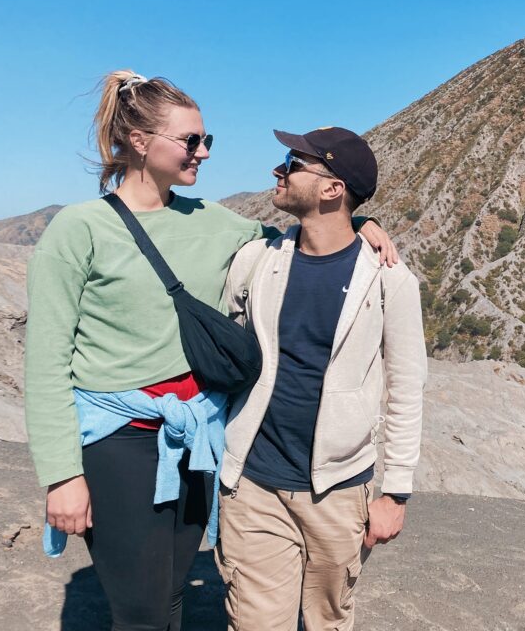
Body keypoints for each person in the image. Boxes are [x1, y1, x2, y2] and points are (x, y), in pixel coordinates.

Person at [23, 71, 397, 631]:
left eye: (207, 140)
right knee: (142, 610)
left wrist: (361, 221)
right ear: (141, 141)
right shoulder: (79, 230)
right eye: (191, 141)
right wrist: (61, 476)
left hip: (200, 433)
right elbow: (46, 360)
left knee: (172, 592)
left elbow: (303, 237)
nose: (203, 152)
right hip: (119, 439)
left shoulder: (215, 222)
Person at [217, 126, 427, 631]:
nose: (278, 171)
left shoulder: (388, 279)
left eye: (293, 163)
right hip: (253, 485)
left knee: (328, 622)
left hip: (338, 493)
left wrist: (395, 493)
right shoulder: (257, 259)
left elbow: (405, 390)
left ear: (333, 189)